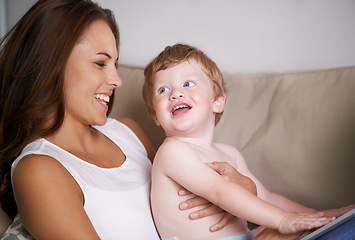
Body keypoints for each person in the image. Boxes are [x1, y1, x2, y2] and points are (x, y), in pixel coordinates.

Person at [0, 1, 256, 239]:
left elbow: (189, 198)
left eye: (115, 65)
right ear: (50, 63)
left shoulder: (128, 132)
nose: (117, 81)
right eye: (100, 63)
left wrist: (246, 188)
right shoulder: (38, 169)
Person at [142, 43, 354, 240]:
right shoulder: (172, 152)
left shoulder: (230, 153)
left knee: (333, 223)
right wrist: (282, 220)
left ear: (217, 101)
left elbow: (268, 198)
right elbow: (220, 192)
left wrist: (319, 217)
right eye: (163, 89)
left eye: (188, 84)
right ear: (155, 115)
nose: (176, 93)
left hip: (247, 237)